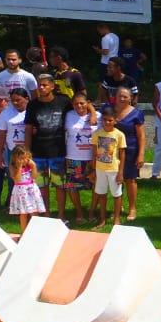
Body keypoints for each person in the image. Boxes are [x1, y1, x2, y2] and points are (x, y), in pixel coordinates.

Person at [24, 74, 73, 212]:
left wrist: (92, 112)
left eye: (45, 85)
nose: (41, 88)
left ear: (52, 86)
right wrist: (27, 151)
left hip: (58, 151)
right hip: (38, 151)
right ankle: (46, 215)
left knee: (60, 185)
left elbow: (81, 107)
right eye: (39, 85)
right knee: (41, 186)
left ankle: (62, 215)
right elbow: (28, 128)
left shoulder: (64, 102)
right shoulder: (32, 105)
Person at [63, 93, 98, 224]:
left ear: (88, 103)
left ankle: (92, 211)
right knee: (73, 186)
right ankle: (79, 211)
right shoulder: (69, 115)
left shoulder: (98, 116)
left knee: (96, 185)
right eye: (76, 104)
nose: (79, 106)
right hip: (74, 156)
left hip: (92, 157)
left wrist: (93, 112)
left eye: (82, 103)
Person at [112, 87, 146, 221]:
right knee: (114, 178)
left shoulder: (137, 114)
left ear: (130, 98)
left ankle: (132, 208)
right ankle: (118, 206)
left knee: (130, 180)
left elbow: (141, 136)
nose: (122, 99)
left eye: (125, 96)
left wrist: (141, 154)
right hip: (112, 151)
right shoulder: (109, 109)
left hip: (131, 150)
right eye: (120, 96)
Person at [89, 110, 127, 230]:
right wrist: (93, 169)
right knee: (101, 194)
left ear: (115, 121)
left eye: (110, 120)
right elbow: (94, 152)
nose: (107, 122)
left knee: (116, 194)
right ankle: (102, 219)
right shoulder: (97, 134)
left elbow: (122, 154)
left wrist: (121, 172)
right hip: (100, 169)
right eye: (105, 120)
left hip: (113, 169)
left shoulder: (119, 135)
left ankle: (116, 218)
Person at [0, 87, 30, 207]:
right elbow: (1, 135)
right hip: (12, 151)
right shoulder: (6, 114)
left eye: (18, 100)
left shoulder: (32, 111)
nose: (15, 103)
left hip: (29, 151)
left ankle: (30, 204)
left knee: (29, 178)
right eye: (13, 100)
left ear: (26, 99)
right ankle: (13, 205)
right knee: (13, 179)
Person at [8, 145, 46, 233]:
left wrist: (34, 166)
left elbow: (34, 176)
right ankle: (24, 233)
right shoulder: (12, 167)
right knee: (23, 213)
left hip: (31, 191)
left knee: (34, 212)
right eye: (21, 158)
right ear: (15, 158)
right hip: (21, 192)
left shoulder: (30, 166)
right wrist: (20, 168)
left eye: (26, 158)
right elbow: (17, 180)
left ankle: (36, 232)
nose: (24, 160)